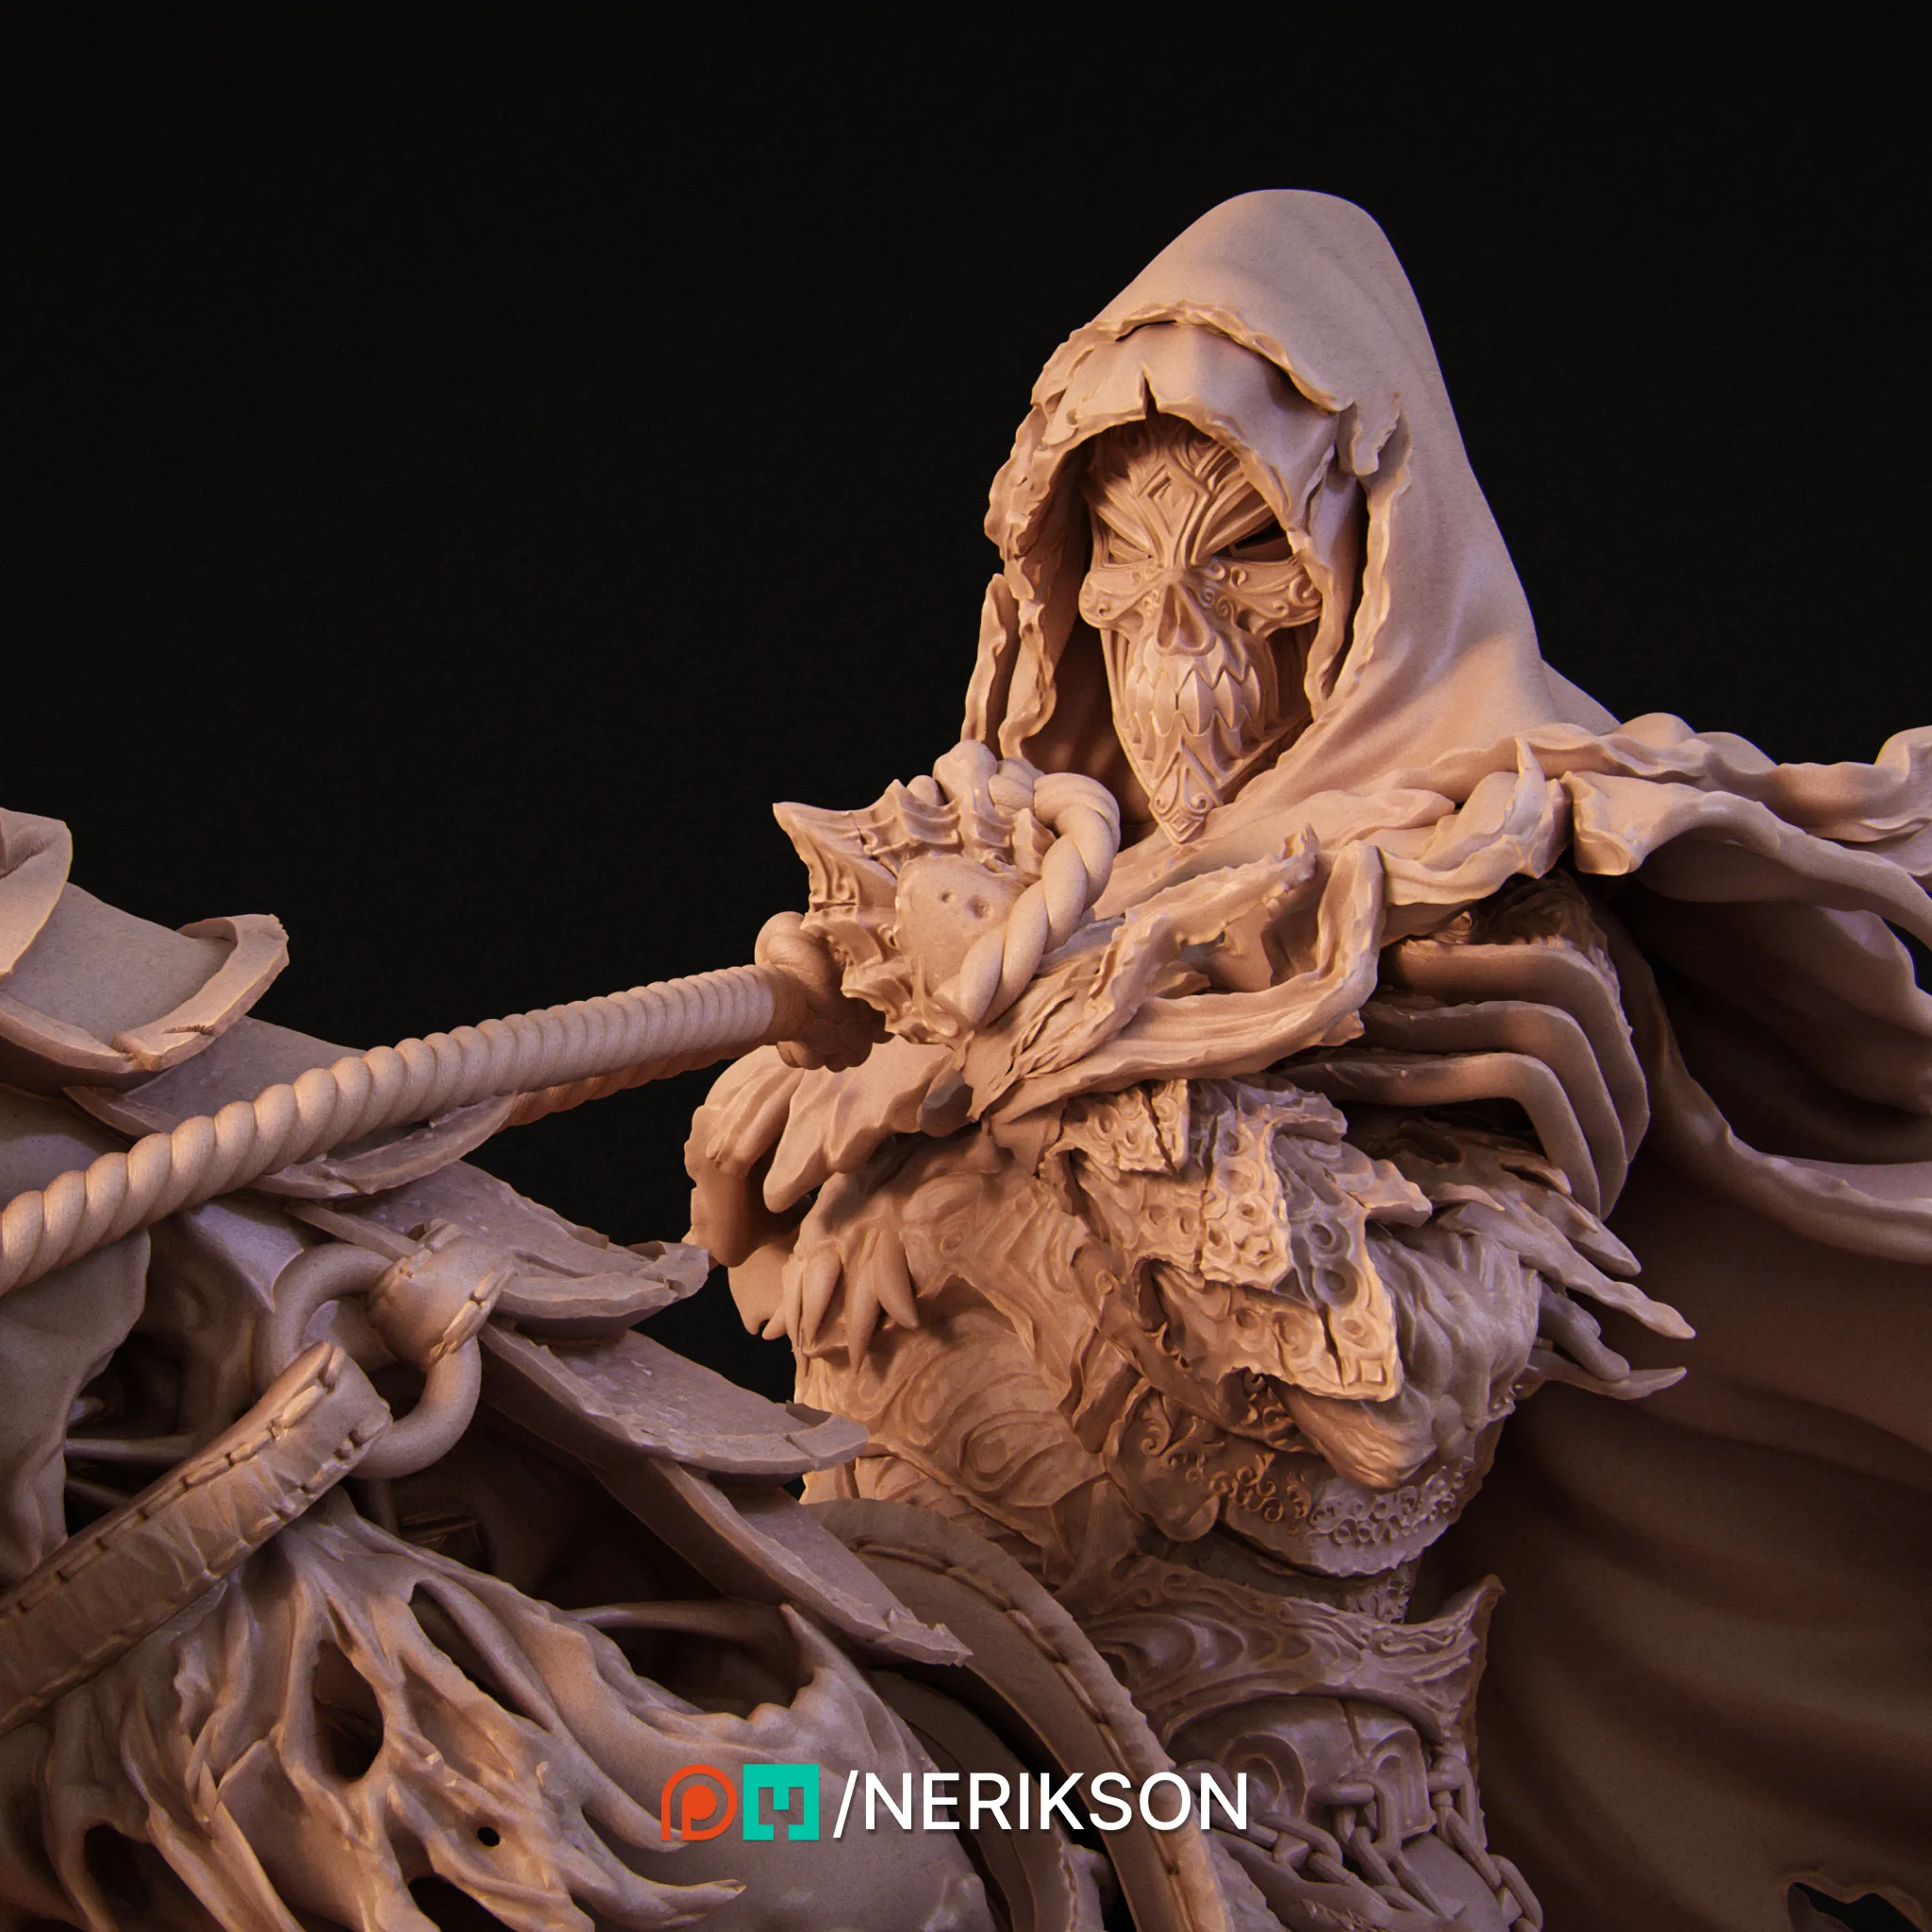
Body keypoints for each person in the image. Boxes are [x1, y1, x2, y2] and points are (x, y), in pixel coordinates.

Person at [689, 190, 1932, 1931]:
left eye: (1244, 561)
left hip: (1241, 1786)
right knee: (657, 1810)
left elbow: (1396, 1394)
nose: (1180, 639)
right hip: (900, 1721)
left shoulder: (1474, 907)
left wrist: (1052, 1032)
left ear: (1362, 567)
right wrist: (838, 1081)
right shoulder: (1000, 886)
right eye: (1124, 564)